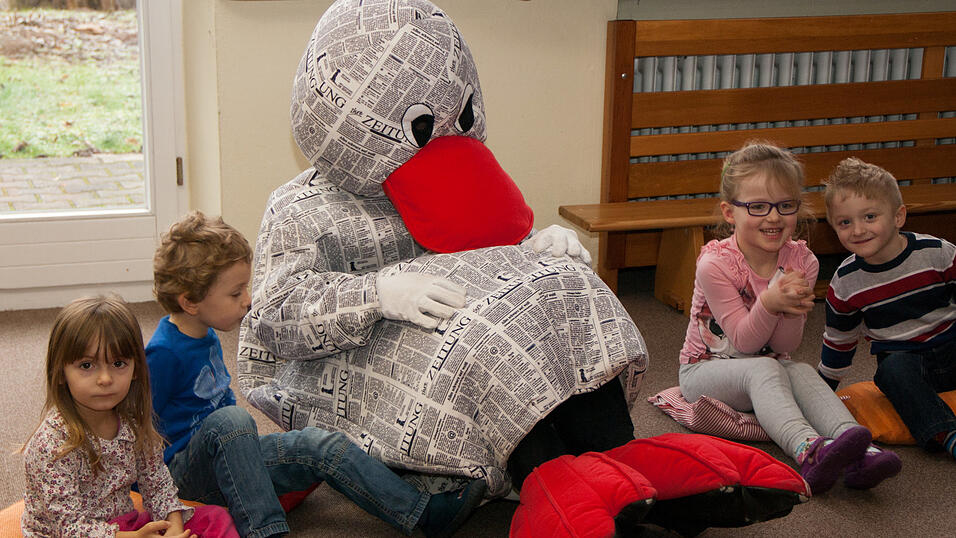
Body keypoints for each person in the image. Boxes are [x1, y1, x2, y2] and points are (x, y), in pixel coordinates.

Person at [147, 210, 485, 538]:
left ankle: (422, 513)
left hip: (231, 456)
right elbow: (136, 430)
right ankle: (265, 530)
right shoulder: (163, 354)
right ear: (190, 301)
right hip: (184, 474)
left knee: (322, 444)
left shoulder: (205, 335)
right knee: (232, 419)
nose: (248, 300)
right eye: (235, 293)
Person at [677, 142, 901, 494]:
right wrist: (770, 303)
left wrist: (791, 309)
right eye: (757, 206)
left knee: (799, 369)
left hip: (768, 362)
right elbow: (746, 342)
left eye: (785, 205)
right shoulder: (715, 264)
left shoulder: (804, 262)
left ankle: (859, 448)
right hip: (705, 369)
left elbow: (784, 345)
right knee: (766, 368)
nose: (773, 217)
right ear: (729, 212)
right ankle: (807, 449)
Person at [21, 295, 237, 537]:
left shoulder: (134, 425)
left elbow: (159, 487)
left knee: (217, 518)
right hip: (70, 534)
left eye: (118, 363)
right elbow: (69, 527)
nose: (105, 379)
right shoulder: (51, 446)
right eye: (86, 366)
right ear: (60, 373)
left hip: (125, 524)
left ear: (136, 369)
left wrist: (174, 529)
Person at [818, 157, 956, 460]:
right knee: (890, 372)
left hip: (950, 345)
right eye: (845, 222)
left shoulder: (937, 252)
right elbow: (839, 343)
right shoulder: (845, 282)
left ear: (898, 217)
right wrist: (820, 391)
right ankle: (946, 433)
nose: (858, 230)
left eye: (869, 217)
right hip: (907, 362)